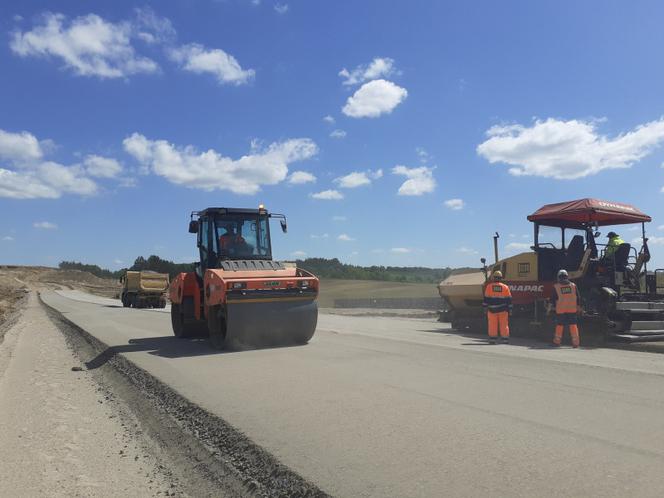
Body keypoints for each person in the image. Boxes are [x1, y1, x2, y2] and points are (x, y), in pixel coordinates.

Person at [551, 269, 581, 348]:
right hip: (572, 309)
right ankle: (576, 343)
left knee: (560, 325)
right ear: (567, 277)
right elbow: (578, 298)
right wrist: (578, 307)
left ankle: (557, 342)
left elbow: (553, 299)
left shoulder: (556, 286)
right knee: (573, 325)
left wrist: (552, 307)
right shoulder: (573, 286)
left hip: (561, 310)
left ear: (558, 277)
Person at [482, 270, 512, 344]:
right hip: (503, 310)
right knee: (504, 324)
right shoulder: (505, 287)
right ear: (501, 278)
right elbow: (509, 300)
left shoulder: (489, 286)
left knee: (492, 324)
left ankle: (493, 339)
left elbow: (486, 299)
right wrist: (510, 309)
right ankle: (505, 339)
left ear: (493, 278)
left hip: (492, 310)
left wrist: (485, 308)